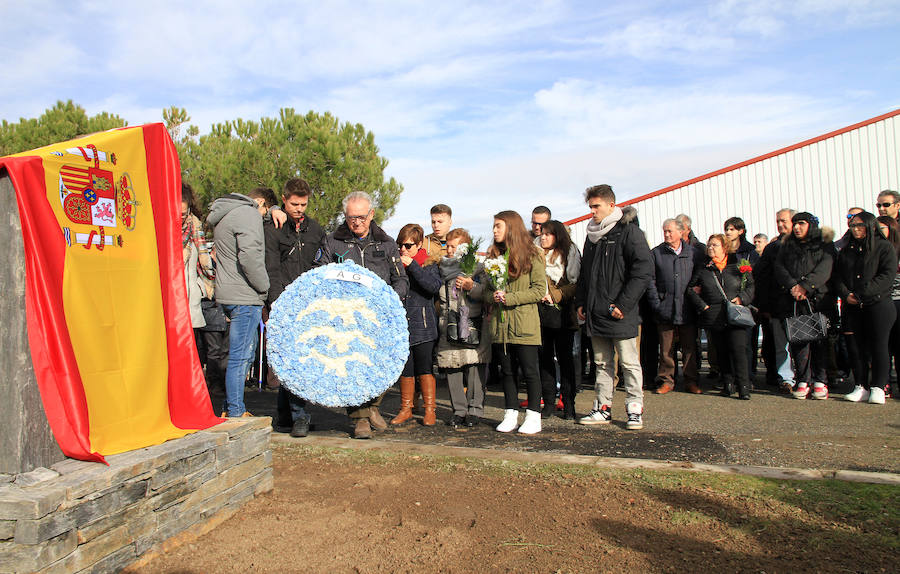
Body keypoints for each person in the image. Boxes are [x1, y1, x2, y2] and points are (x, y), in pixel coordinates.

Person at [316, 191, 409, 437]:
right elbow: (320, 274)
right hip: (346, 317)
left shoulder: (386, 243)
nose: (356, 222)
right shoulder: (332, 241)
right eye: (351, 217)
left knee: (384, 365)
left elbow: (401, 279)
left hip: (379, 315)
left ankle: (372, 407)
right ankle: (360, 420)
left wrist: (391, 298)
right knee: (355, 365)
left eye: (361, 217)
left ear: (371, 215)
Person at [576, 184, 652, 430]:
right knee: (601, 363)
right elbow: (585, 275)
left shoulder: (630, 232)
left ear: (611, 205)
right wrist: (581, 302)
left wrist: (623, 304)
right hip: (595, 312)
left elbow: (642, 271)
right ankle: (602, 407)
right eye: (590, 207)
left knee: (629, 363)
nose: (593, 212)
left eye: (596, 206)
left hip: (621, 313)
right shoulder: (592, 236)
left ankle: (634, 409)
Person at [263, 179, 326, 437]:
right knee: (293, 361)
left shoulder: (316, 230)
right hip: (282, 303)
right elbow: (271, 267)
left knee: (295, 361)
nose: (299, 208)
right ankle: (300, 417)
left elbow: (320, 263)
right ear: (284, 199)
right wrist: (277, 301)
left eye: (303, 204)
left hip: (308, 303)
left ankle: (286, 417)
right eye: (294, 204)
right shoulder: (274, 228)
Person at [207, 191, 270, 417]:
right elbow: (250, 257)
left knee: (238, 354)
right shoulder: (248, 214)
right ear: (259, 203)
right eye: (265, 210)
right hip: (245, 296)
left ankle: (230, 406)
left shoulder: (225, 213)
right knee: (240, 355)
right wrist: (264, 286)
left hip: (227, 293)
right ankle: (235, 410)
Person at [484, 211, 546, 434]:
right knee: (507, 372)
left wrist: (510, 298)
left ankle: (533, 415)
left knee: (530, 371)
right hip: (501, 327)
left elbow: (539, 290)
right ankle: (510, 413)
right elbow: (486, 290)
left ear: (511, 227)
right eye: (494, 226)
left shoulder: (533, 255)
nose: (494, 230)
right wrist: (492, 295)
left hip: (525, 324)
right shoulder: (493, 256)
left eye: (498, 226)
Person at [833, 211, 898, 404]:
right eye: (853, 226)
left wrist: (862, 293)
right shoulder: (847, 250)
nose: (856, 229)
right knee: (855, 347)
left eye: (860, 225)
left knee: (879, 345)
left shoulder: (884, 247)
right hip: (852, 306)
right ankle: (860, 385)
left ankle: (878, 386)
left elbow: (886, 275)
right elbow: (838, 276)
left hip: (878, 304)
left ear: (870, 226)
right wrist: (846, 294)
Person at [773, 213, 833, 399]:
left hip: (818, 300)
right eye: (795, 224)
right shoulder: (787, 245)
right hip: (793, 301)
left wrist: (806, 286)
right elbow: (779, 267)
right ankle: (803, 379)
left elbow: (825, 268)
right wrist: (793, 286)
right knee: (799, 341)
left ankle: (820, 380)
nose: (797, 227)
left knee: (820, 341)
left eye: (802, 223)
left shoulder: (824, 245)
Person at [687, 234, 755, 400]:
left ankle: (743, 386)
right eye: (709, 245)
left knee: (739, 350)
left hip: (736, 313)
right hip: (714, 315)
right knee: (721, 351)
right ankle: (727, 384)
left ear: (724, 247)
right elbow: (690, 289)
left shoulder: (738, 265)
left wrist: (742, 299)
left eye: (715, 245)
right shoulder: (704, 267)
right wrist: (703, 306)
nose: (711, 248)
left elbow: (750, 285)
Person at [436, 229, 491, 427]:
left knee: (474, 367)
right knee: (452, 368)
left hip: (472, 323)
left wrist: (471, 287)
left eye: (454, 246)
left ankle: (475, 410)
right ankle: (458, 410)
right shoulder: (441, 268)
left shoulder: (478, 268)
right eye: (447, 246)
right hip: (447, 324)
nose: (449, 250)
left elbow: (487, 293)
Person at [391, 224, 442, 426]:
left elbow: (433, 287)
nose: (403, 250)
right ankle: (406, 408)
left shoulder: (429, 264)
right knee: (406, 370)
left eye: (408, 245)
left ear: (419, 245)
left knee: (425, 369)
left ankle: (430, 410)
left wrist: (412, 265)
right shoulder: (395, 265)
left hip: (424, 325)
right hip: (403, 326)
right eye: (400, 245)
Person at [646, 218, 700, 395]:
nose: (667, 234)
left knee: (689, 348)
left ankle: (691, 381)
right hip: (665, 308)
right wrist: (657, 304)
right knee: (666, 348)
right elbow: (650, 281)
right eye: (665, 231)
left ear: (681, 232)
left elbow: (699, 277)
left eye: (670, 231)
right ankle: (666, 380)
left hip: (687, 308)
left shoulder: (693, 253)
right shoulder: (657, 253)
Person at [537, 220, 581, 419]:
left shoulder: (570, 253)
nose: (543, 237)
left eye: (548, 234)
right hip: (540, 314)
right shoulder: (535, 253)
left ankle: (569, 403)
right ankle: (548, 402)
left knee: (566, 359)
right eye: (542, 234)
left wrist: (555, 295)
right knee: (544, 360)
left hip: (564, 314)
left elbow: (575, 283)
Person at [754, 208, 796, 392]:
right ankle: (786, 378)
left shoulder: (805, 245)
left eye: (784, 221)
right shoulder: (772, 248)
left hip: (799, 303)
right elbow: (761, 278)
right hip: (778, 305)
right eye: (778, 221)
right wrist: (765, 305)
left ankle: (804, 377)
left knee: (802, 345)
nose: (780, 225)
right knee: (782, 346)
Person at [182, 183, 210, 334]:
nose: (180, 217)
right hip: (170, 305)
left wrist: (200, 290)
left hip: (192, 303)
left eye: (183, 213)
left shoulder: (195, 229)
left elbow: (205, 265)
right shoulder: (163, 231)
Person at [877, 215, 900, 398]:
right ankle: (883, 384)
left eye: (882, 228)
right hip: (880, 301)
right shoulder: (873, 250)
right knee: (882, 345)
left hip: (898, 301)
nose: (877, 232)